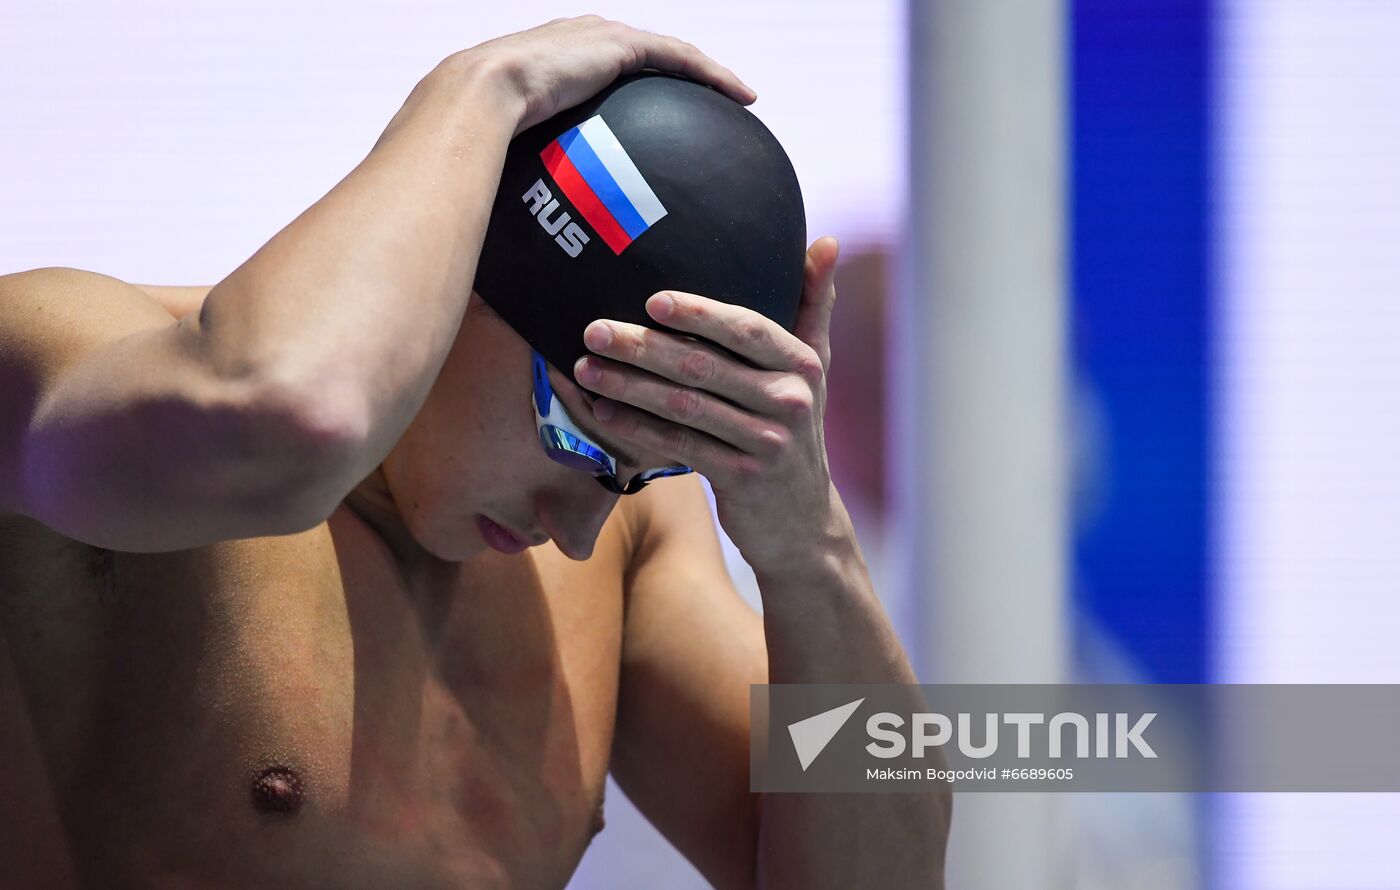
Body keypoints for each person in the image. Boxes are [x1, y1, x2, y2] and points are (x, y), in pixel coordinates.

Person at [0, 16, 949, 889]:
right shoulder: (67, 355)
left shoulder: (631, 536)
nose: (578, 532)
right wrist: (485, 88)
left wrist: (809, 548)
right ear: (463, 285)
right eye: (576, 434)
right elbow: (288, 416)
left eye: (644, 467)